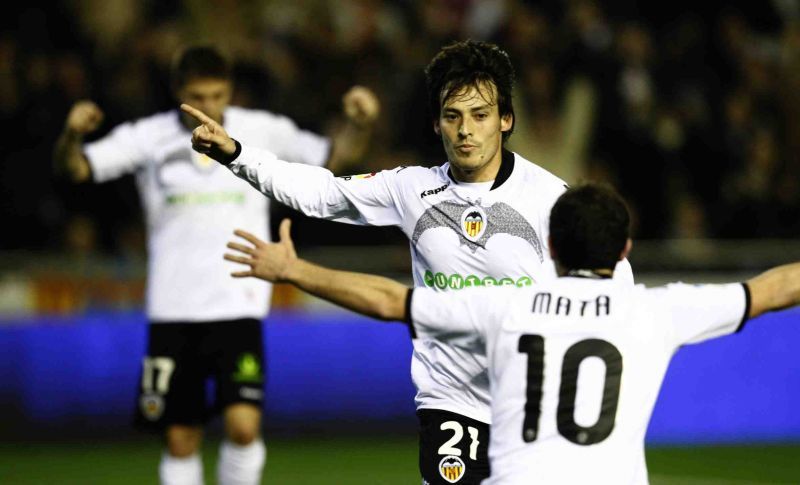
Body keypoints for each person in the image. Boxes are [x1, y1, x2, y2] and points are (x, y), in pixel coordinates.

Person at [182, 40, 633, 484]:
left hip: (531, 403)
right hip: (452, 403)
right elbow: (322, 193)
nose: (466, 131)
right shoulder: (411, 189)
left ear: (506, 120)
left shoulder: (551, 199)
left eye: (480, 116)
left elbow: (610, 270)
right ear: (437, 124)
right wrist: (236, 155)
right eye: (452, 117)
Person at [223, 183, 800, 484]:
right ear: (624, 251)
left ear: (549, 247)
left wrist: (294, 270)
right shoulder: (655, 311)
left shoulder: (504, 305)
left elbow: (388, 300)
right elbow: (771, 290)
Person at [53, 45, 379, 485]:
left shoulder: (263, 130)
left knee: (244, 428)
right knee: (180, 440)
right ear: (176, 91)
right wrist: (72, 136)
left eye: (217, 95)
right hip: (173, 307)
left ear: (230, 92)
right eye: (197, 96)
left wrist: (359, 124)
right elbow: (77, 169)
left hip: (238, 302)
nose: (208, 106)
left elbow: (335, 159)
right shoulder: (148, 137)